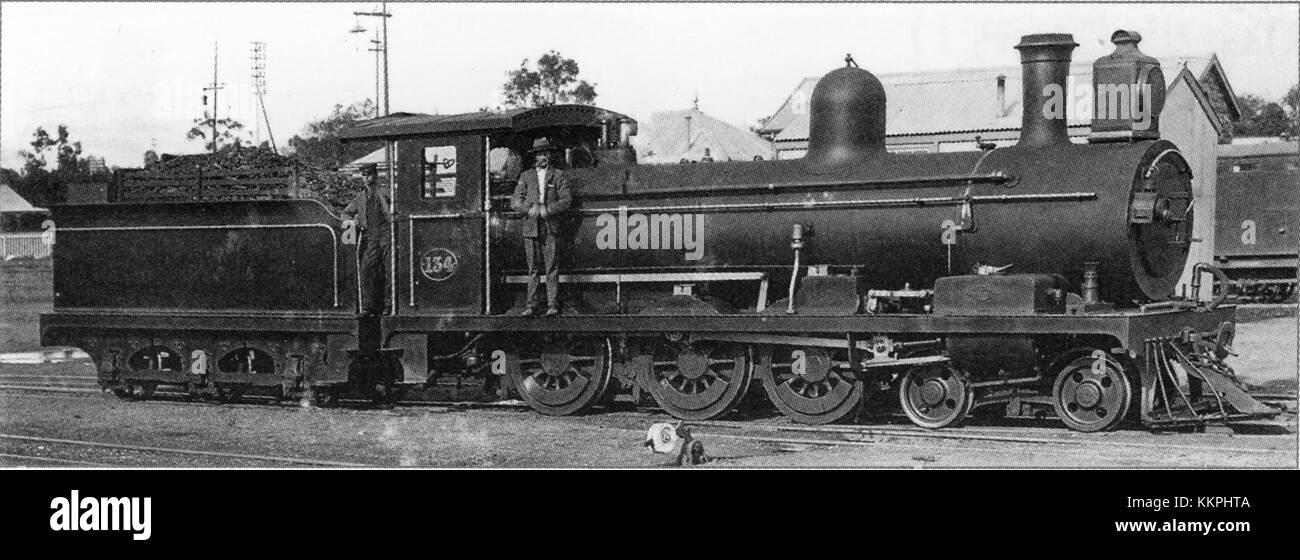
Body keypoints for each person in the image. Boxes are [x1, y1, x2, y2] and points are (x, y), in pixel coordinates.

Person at [511, 137, 572, 317]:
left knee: (552, 267)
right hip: (530, 226)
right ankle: (531, 306)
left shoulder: (559, 175)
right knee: (533, 269)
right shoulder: (525, 176)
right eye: (539, 154)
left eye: (545, 153)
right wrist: (528, 209)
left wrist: (549, 209)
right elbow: (515, 200)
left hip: (550, 226)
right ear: (535, 157)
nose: (542, 157)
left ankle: (552, 305)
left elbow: (566, 200)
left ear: (549, 155)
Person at [343, 163, 392, 318]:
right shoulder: (360, 197)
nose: (366, 178)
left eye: (369, 174)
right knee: (366, 270)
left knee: (389, 271)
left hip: (386, 235)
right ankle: (368, 307)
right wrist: (351, 224)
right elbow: (346, 213)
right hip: (370, 237)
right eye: (363, 175)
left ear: (375, 176)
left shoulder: (385, 192)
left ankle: (389, 306)